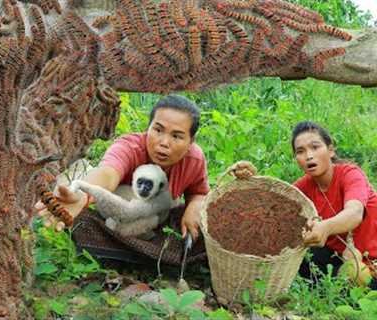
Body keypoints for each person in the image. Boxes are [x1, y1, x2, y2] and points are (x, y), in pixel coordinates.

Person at [35, 94, 210, 241]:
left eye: (177, 136)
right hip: (120, 200)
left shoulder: (194, 159)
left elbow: (199, 192)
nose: (164, 142)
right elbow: (108, 174)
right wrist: (82, 195)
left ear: (190, 142)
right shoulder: (129, 147)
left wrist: (194, 206)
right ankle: (81, 177)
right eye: (158, 130)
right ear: (148, 128)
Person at [232, 121, 377, 288]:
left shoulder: (350, 174)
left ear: (330, 150)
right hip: (337, 258)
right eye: (300, 151)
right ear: (296, 159)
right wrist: (251, 181)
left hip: (370, 260)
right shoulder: (304, 186)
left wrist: (325, 227)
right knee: (300, 254)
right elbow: (269, 207)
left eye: (315, 147)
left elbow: (355, 212)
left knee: (356, 276)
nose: (309, 156)